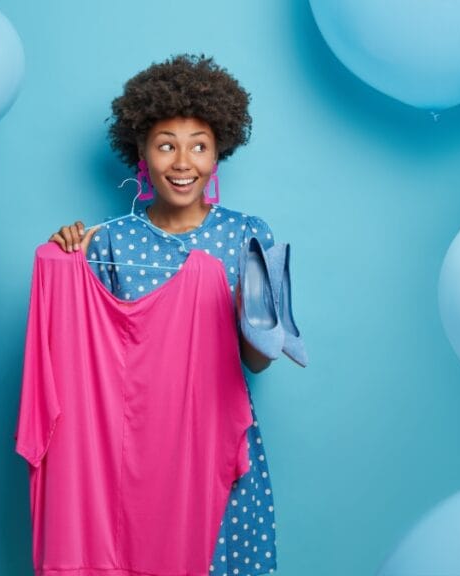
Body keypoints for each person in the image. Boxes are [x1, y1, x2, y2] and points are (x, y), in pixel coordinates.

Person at [48, 54, 278, 576]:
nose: (182, 162)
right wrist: (68, 262)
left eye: (199, 145)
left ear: (219, 151)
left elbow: (258, 363)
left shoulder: (247, 236)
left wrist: (249, 312)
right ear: (141, 154)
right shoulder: (107, 241)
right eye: (166, 145)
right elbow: (88, 359)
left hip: (220, 440)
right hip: (134, 448)